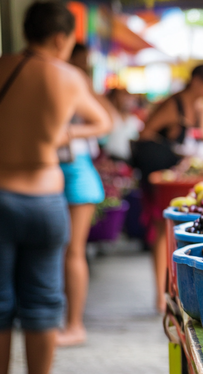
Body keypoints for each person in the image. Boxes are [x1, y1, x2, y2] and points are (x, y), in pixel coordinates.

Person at [0, 2, 110, 373]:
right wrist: (69, 132)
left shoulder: (2, 67)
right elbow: (103, 121)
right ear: (61, 38)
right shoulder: (67, 77)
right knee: (44, 303)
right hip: (45, 198)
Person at [134, 64, 203, 313]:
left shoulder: (197, 107)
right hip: (161, 179)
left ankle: (175, 291)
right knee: (161, 232)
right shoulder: (173, 105)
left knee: (176, 233)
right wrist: (173, 151)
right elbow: (144, 135)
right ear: (199, 81)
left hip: (179, 180)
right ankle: (161, 296)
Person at [56, 43, 114, 347]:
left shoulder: (78, 83)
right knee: (59, 252)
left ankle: (74, 324)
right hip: (53, 173)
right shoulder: (56, 77)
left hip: (77, 172)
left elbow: (106, 122)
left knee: (72, 251)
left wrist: (68, 134)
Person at [104, 88, 143, 162]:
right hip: (108, 161)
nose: (128, 100)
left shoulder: (135, 121)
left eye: (130, 97)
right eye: (125, 96)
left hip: (128, 162)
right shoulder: (109, 117)